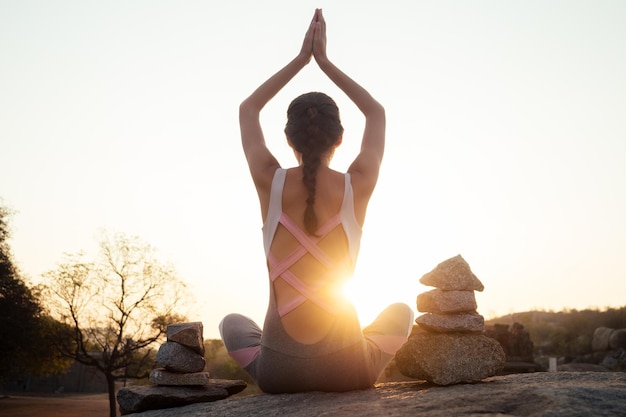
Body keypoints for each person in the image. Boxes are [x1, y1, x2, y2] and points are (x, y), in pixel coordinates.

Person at [219, 9, 413, 393]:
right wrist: (325, 62)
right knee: (403, 313)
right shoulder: (357, 184)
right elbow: (376, 111)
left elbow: (248, 109)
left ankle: (269, 361)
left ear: (289, 139)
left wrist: (300, 60)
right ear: (339, 138)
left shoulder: (268, 181)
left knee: (231, 323)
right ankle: (363, 355)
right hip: (348, 371)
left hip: (278, 374)